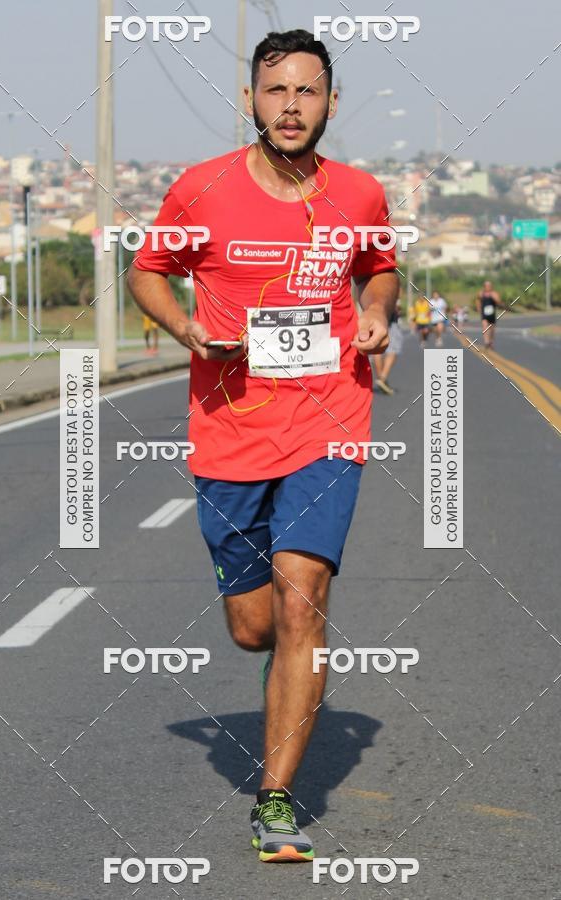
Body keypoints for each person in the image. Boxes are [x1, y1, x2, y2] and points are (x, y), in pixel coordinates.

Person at [128, 29, 398, 864]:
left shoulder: (358, 194)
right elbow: (148, 267)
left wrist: (379, 310)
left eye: (307, 92)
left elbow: (379, 265)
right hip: (229, 433)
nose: (291, 106)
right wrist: (187, 329)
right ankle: (282, 658)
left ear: (330, 104)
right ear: (250, 100)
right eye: (275, 90)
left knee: (301, 602)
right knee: (254, 629)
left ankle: (275, 800)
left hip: (329, 422)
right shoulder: (201, 189)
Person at [373, 296, 402, 394]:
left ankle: (381, 379)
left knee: (377, 348)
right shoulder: (390, 282)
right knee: (393, 350)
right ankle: (382, 378)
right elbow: (396, 306)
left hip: (374, 317)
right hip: (390, 319)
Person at [476, 281, 502, 350]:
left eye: (489, 286)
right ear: (484, 286)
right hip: (484, 314)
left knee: (492, 329)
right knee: (485, 327)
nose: (487, 287)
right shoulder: (481, 293)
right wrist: (478, 308)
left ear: (491, 286)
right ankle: (486, 342)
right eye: (486, 286)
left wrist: (495, 298)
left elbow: (499, 302)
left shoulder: (494, 293)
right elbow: (478, 300)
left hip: (492, 314)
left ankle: (491, 341)